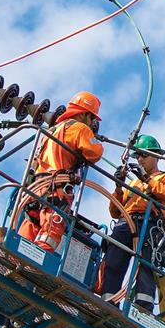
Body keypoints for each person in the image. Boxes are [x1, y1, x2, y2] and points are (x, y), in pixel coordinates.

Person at [98, 134, 165, 312]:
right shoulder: (134, 183)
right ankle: (108, 303)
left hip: (149, 226)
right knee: (114, 262)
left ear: (156, 156)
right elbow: (115, 211)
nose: (140, 159)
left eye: (144, 155)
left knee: (145, 267)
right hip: (125, 224)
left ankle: (142, 309)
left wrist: (147, 180)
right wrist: (119, 187)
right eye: (138, 156)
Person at [16, 91, 104, 252]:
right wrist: (94, 139)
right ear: (84, 114)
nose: (92, 123)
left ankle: (16, 254)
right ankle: (39, 255)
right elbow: (94, 153)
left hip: (35, 186)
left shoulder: (51, 130)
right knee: (53, 221)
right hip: (56, 184)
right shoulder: (79, 128)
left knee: (32, 222)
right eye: (91, 118)